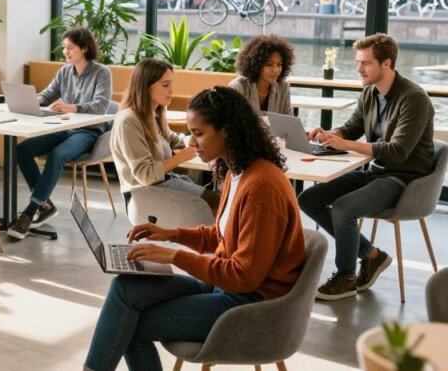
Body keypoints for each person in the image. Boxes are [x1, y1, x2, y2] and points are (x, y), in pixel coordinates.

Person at [84, 86, 306, 371]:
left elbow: (244, 277)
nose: (192, 141)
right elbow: (222, 236)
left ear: (226, 131)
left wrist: (174, 256)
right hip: (226, 288)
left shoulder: (261, 186)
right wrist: (172, 234)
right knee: (125, 287)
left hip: (250, 304)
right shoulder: (238, 172)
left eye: (198, 133)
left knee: (130, 324)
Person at [298, 33, 435, 301]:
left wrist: (346, 144)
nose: (359, 69)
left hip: (404, 179)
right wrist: (328, 134)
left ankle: (346, 277)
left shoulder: (414, 98)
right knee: (309, 199)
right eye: (358, 62)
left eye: (366, 63)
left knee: (343, 209)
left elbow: (397, 151)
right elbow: (351, 129)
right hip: (376, 171)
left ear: (387, 63)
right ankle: (371, 255)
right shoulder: (370, 93)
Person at [8, 27, 112, 241]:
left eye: (70, 47)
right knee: (23, 149)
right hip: (63, 128)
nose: (65, 51)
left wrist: (71, 107)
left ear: (84, 48)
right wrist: (34, 99)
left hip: (88, 133)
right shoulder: (65, 71)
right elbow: (48, 94)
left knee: (57, 155)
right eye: (64, 47)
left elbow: (101, 106)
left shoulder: (102, 73)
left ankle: (30, 210)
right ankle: (44, 204)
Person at [111, 58, 220, 226]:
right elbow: (145, 175)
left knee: (218, 197)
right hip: (144, 194)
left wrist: (193, 135)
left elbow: (172, 139)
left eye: (171, 84)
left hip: (163, 183)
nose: (171, 90)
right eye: (165, 85)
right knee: (215, 201)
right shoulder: (129, 120)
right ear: (146, 86)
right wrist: (180, 157)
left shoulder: (154, 113)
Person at [227, 34, 295, 116]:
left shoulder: (283, 87)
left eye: (279, 64)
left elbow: (289, 122)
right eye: (269, 64)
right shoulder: (237, 87)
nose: (276, 70)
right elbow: (231, 124)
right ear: (257, 65)